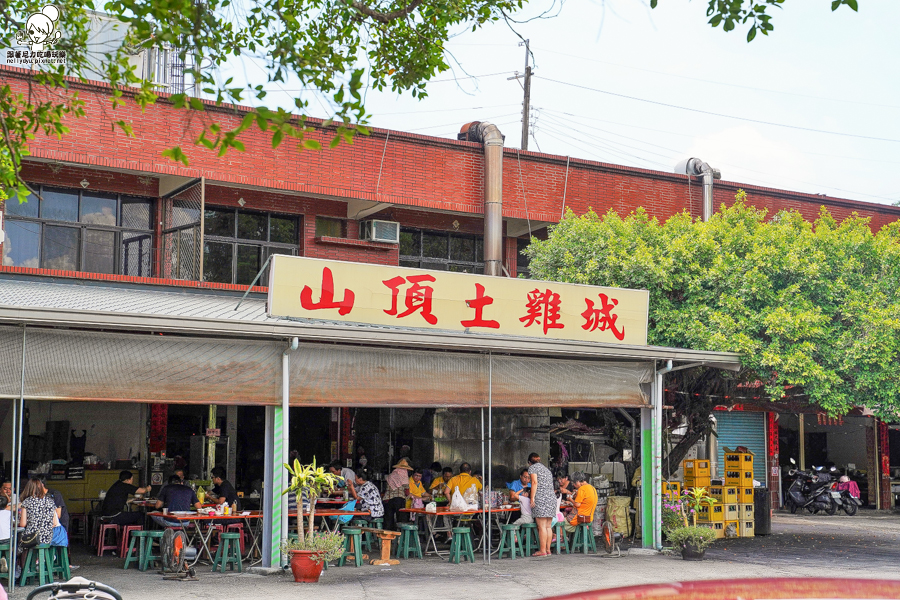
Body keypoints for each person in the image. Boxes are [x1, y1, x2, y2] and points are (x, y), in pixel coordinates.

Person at [527, 452, 556, 557]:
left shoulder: (533, 468)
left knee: (541, 526)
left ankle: (542, 550)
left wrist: (532, 498)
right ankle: (548, 549)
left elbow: (534, 482)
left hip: (541, 499)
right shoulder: (547, 470)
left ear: (530, 462)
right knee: (548, 526)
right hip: (551, 499)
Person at [383, 458, 413, 530]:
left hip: (388, 499)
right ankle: (400, 536)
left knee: (388, 520)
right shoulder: (404, 474)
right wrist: (410, 496)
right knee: (401, 519)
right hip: (399, 499)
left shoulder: (391, 475)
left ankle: (388, 537)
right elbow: (406, 490)